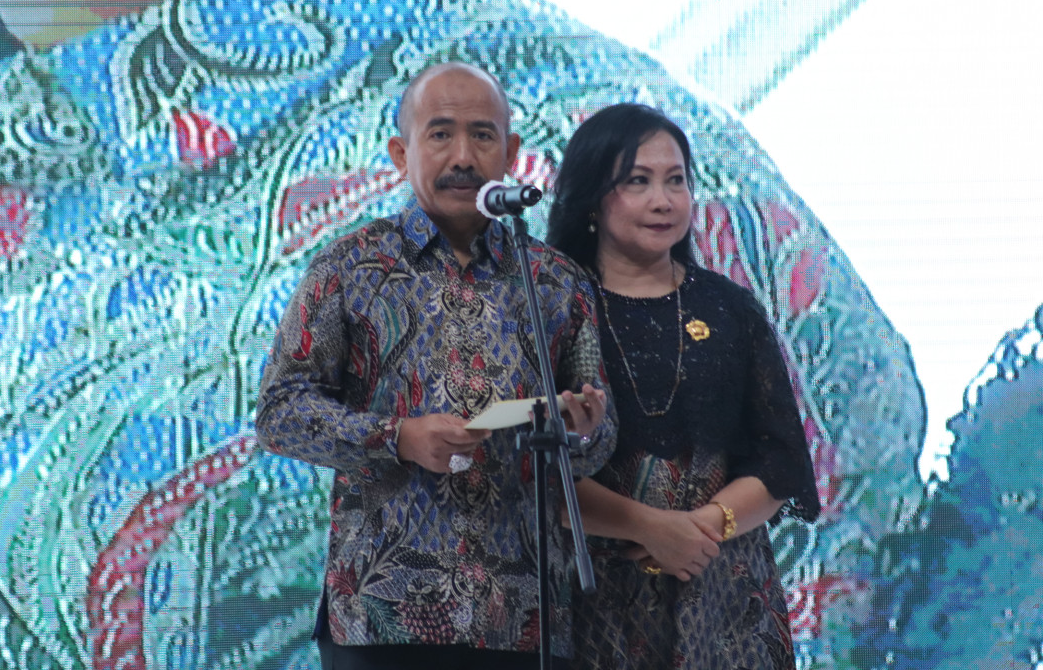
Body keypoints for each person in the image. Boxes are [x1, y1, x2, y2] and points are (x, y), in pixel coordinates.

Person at [255, 61, 615, 670]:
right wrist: (397, 437)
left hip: (523, 615)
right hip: (382, 615)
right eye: (440, 133)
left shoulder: (556, 281)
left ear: (512, 154)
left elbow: (599, 438)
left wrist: (579, 429)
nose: (463, 157)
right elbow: (280, 412)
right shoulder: (350, 267)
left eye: (483, 135)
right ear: (401, 153)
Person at [545, 103, 821, 669]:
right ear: (592, 198)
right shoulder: (551, 311)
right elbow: (530, 473)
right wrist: (650, 529)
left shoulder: (730, 309)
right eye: (637, 182)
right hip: (598, 606)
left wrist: (702, 530)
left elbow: (780, 457)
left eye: (676, 181)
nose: (663, 200)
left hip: (727, 599)